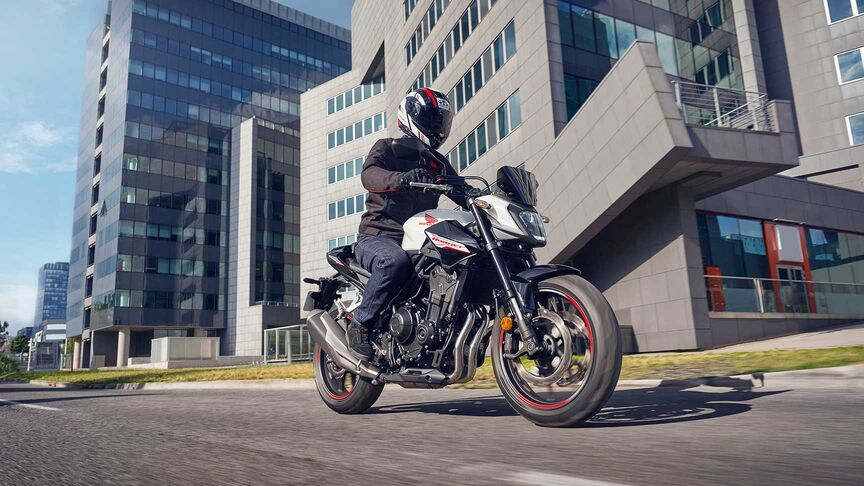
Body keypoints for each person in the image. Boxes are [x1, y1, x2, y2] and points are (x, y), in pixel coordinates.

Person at [346, 88, 457, 360]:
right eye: (432, 120)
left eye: (440, 121)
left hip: (416, 241)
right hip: (378, 236)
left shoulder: (437, 164)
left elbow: (460, 188)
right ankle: (360, 324)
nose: (437, 127)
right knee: (393, 262)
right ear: (413, 117)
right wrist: (401, 179)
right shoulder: (387, 148)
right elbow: (369, 176)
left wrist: (484, 196)